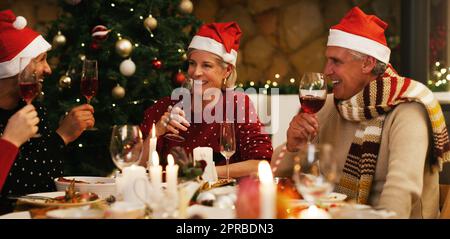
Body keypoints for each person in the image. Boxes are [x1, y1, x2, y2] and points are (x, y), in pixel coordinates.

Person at [284, 7, 450, 218]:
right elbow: (279, 177)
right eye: (328, 60)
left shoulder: (407, 109)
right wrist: (292, 148)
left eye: (336, 61)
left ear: (367, 63)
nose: (326, 71)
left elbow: (401, 191)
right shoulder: (326, 106)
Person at [141, 22, 272, 178]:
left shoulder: (238, 105)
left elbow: (260, 164)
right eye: (192, 64)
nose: (196, 72)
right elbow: (136, 165)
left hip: (221, 198)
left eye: (206, 65)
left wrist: (203, 174)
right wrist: (158, 131)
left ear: (227, 71)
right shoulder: (165, 106)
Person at [0, 10, 95, 213]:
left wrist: (61, 137)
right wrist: (61, 136)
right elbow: (13, 187)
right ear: (15, 67)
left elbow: (46, 179)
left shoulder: (34, 108)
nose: (48, 69)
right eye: (40, 59)